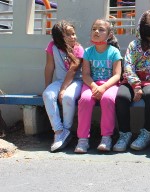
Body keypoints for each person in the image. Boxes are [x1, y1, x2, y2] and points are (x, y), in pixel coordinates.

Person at [113, 11, 150, 152]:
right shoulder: (133, 45)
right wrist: (135, 85)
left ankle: (147, 132)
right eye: (147, 34)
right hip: (131, 80)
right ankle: (124, 133)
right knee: (121, 97)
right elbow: (128, 65)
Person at [74, 19, 122, 153]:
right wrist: (94, 86)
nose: (96, 31)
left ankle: (106, 137)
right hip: (91, 85)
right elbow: (86, 74)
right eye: (94, 29)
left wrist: (103, 87)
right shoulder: (88, 52)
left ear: (109, 35)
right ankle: (83, 139)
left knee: (107, 99)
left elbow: (117, 75)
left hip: (109, 85)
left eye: (101, 29)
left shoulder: (114, 52)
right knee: (85, 100)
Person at [42, 20, 83, 152]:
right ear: (60, 37)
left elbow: (72, 71)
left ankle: (67, 129)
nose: (73, 37)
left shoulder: (78, 49)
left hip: (76, 81)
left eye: (74, 34)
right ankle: (59, 131)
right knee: (48, 94)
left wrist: (63, 90)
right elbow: (49, 67)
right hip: (60, 81)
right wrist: (47, 86)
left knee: (67, 97)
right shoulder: (52, 46)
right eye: (69, 35)